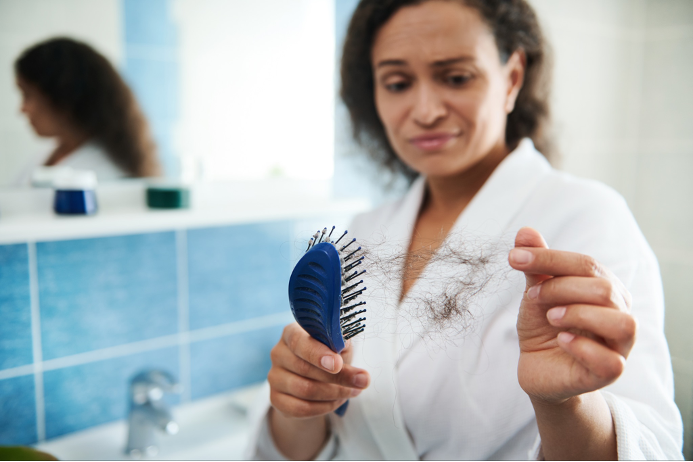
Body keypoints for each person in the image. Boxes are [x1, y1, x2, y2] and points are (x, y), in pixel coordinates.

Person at [246, 0, 683, 459]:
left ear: (512, 77)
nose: (426, 110)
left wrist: (566, 404)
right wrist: (298, 405)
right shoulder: (363, 232)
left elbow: (653, 448)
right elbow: (301, 444)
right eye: (397, 83)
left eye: (455, 77)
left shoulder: (586, 218)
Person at [12, 37, 160, 186]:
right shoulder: (45, 156)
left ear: (63, 97)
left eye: (28, 95)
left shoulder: (109, 175)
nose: (22, 109)